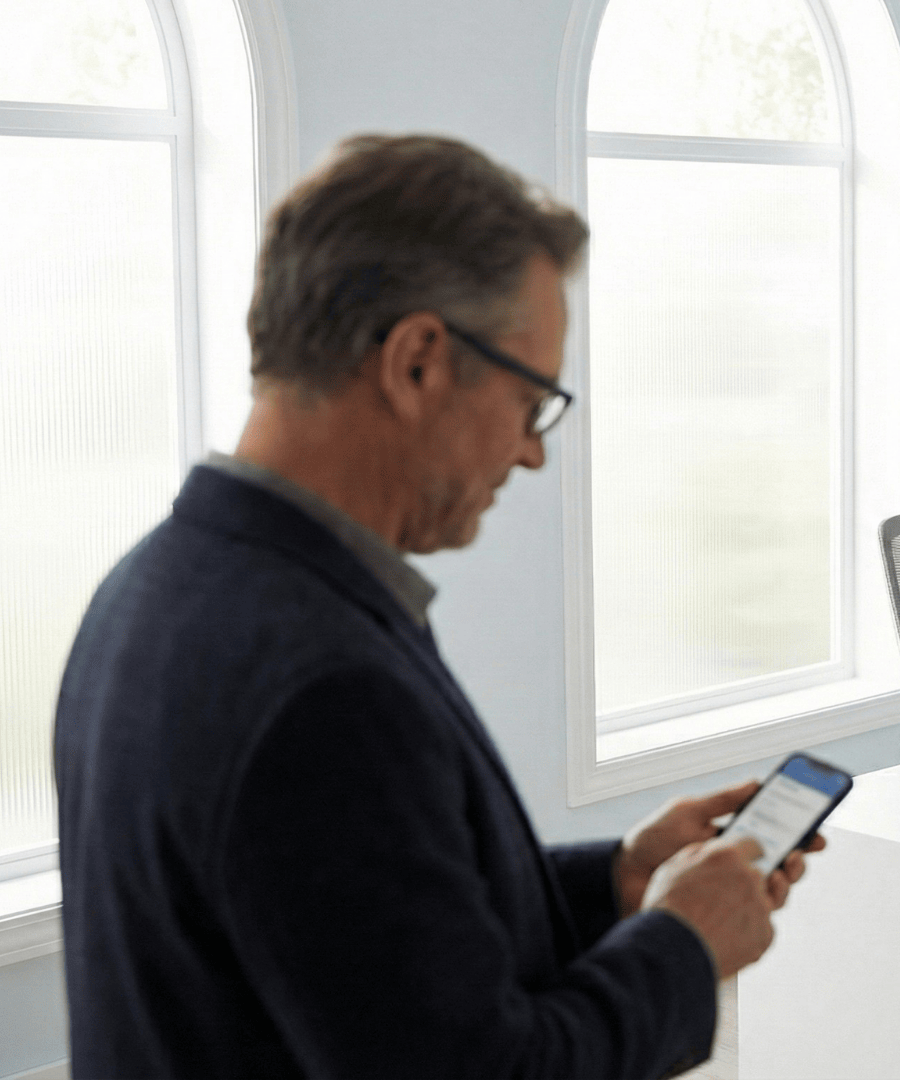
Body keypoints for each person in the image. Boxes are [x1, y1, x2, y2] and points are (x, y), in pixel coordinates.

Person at [53, 134, 818, 1079]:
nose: (532, 453)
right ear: (418, 361)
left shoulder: (152, 588)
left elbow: (368, 947)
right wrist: (685, 945)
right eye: (532, 401)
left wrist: (613, 880)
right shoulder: (324, 687)